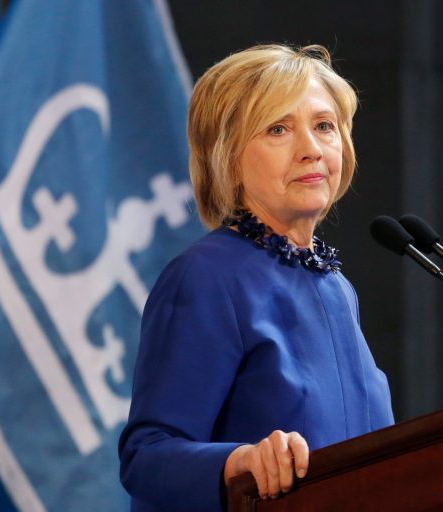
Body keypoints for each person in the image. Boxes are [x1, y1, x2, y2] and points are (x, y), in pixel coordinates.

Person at [118, 43, 394, 511]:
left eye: (324, 126)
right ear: (226, 155)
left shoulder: (336, 288)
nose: (311, 149)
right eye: (278, 129)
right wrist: (241, 462)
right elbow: (147, 457)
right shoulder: (206, 278)